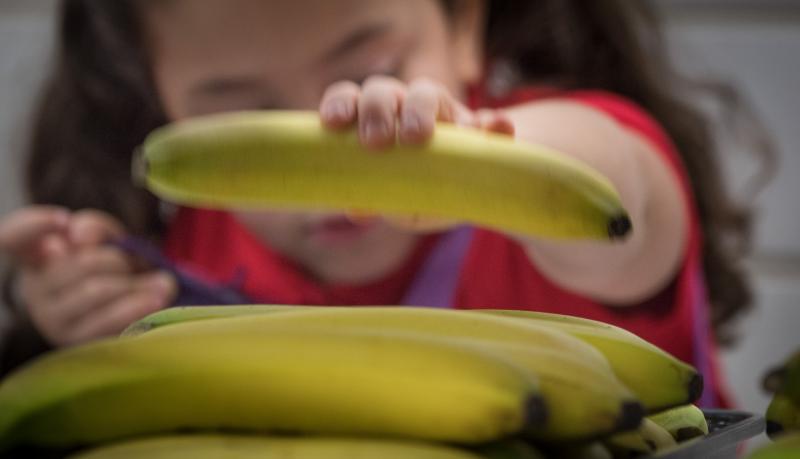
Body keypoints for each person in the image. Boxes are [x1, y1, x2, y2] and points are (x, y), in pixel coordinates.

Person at [0, 0, 770, 407]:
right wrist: (76, 304)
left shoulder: (563, 149)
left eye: (371, 66)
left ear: (466, 22)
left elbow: (623, 200)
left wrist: (476, 153)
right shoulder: (187, 254)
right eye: (239, 107)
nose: (324, 132)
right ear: (156, 93)